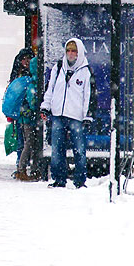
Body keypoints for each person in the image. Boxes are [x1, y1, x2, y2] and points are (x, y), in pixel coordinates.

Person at [40, 38, 94, 188]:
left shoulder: (86, 72)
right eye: (68, 50)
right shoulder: (58, 68)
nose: (71, 54)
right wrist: (46, 106)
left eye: (74, 51)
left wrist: (87, 116)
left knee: (79, 150)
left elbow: (88, 96)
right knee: (57, 149)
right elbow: (50, 89)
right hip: (58, 114)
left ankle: (80, 180)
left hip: (76, 116)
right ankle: (59, 178)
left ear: (79, 53)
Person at [14, 56, 43, 181]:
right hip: (30, 119)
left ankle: (27, 169)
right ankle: (23, 169)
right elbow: (32, 103)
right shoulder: (34, 83)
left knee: (32, 143)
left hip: (27, 119)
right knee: (31, 143)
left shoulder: (31, 81)